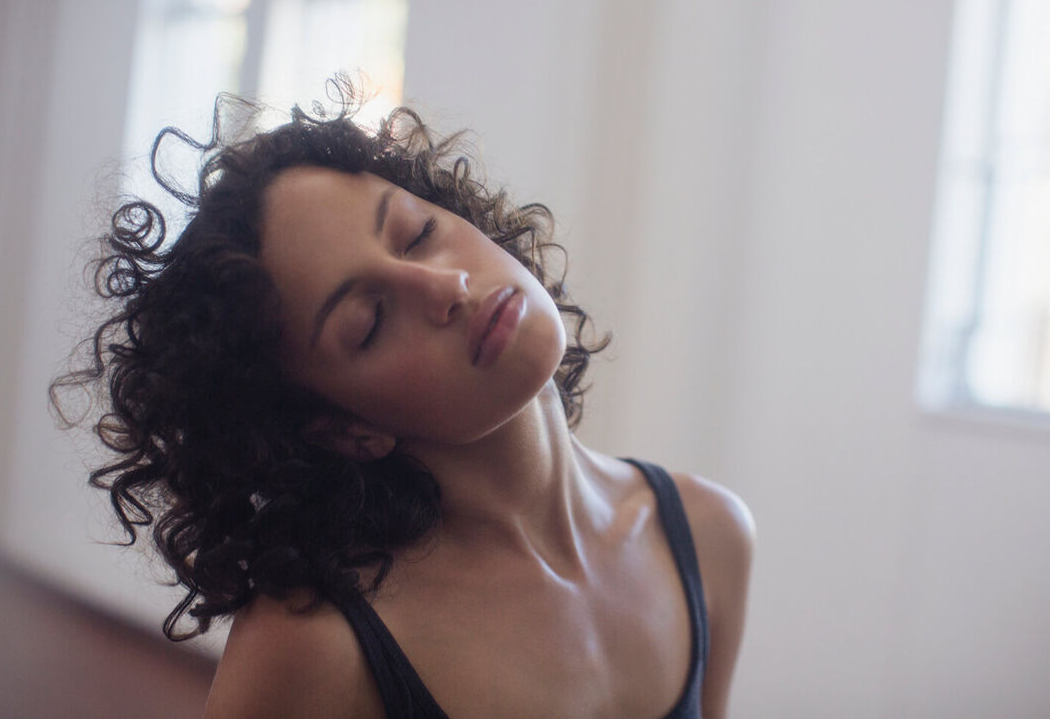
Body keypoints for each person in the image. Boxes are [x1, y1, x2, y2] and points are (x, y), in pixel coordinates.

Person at [53, 82, 755, 718]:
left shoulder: (709, 534)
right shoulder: (316, 648)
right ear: (344, 430)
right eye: (371, 321)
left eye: (418, 233)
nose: (446, 288)